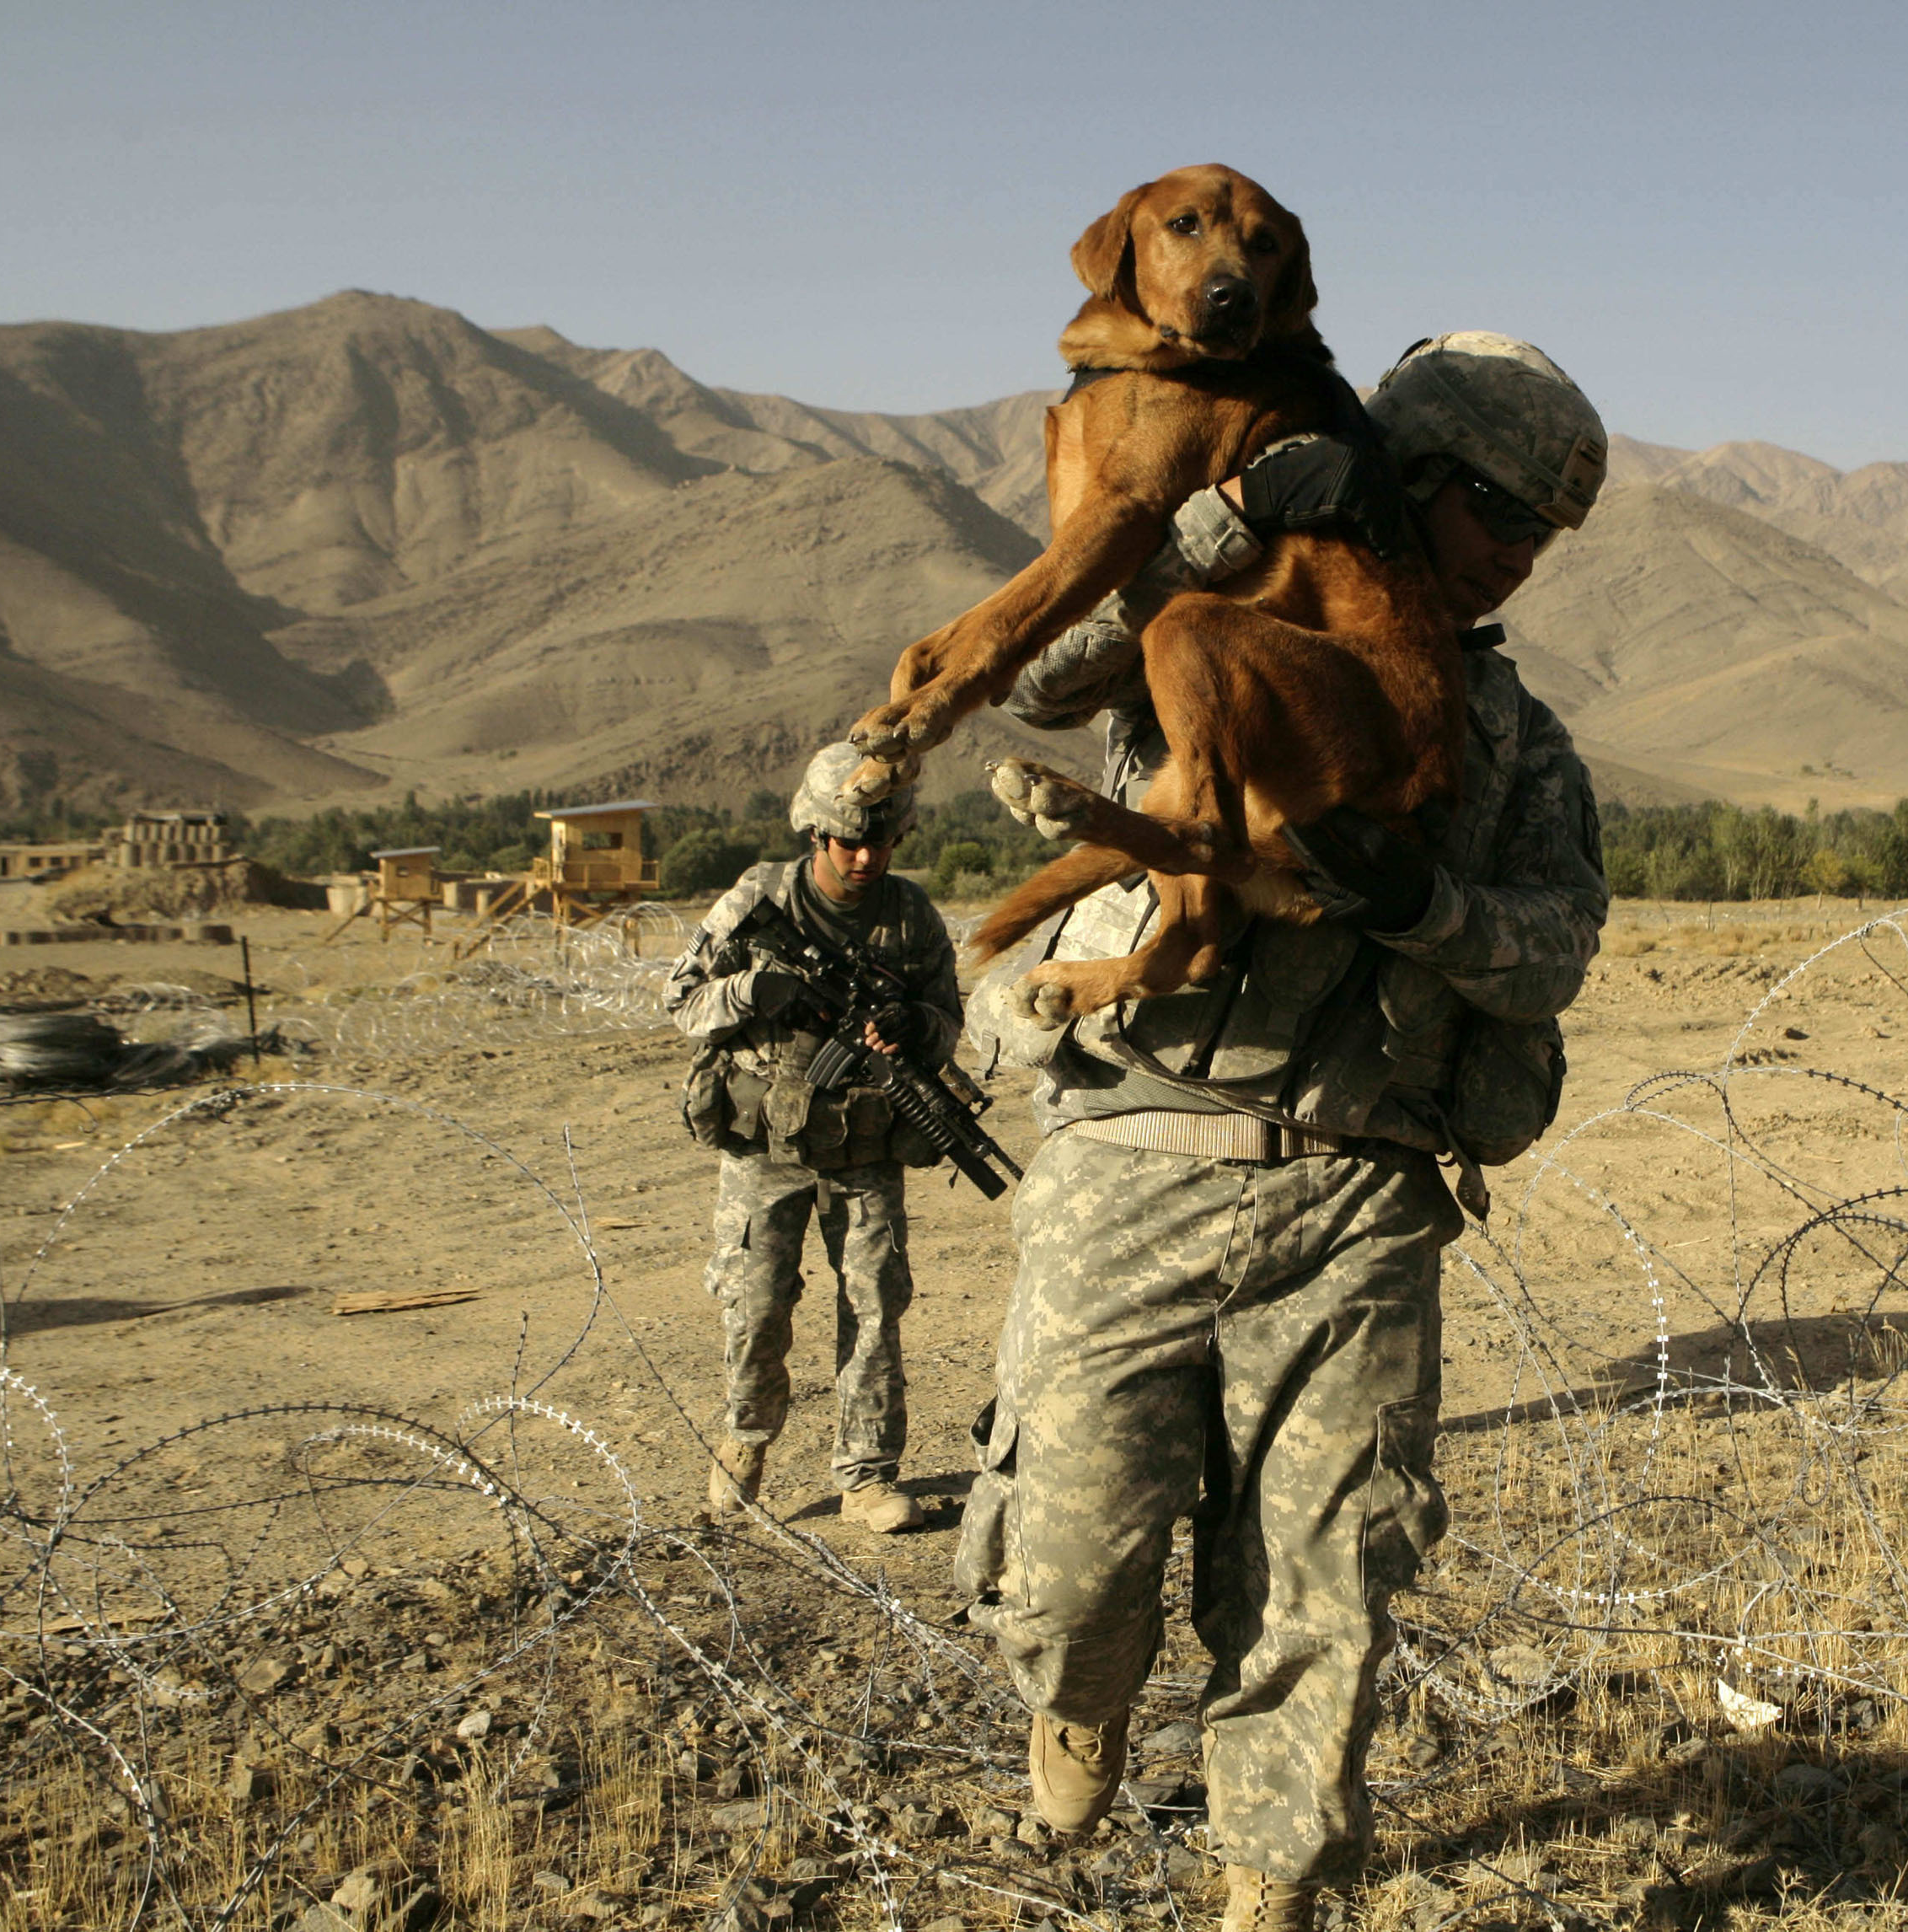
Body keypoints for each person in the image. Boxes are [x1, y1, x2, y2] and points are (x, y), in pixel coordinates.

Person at [954, 335, 1614, 1931]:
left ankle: (1277, 1883)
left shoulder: (1513, 739)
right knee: (1073, 1562)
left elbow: (1557, 941)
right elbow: (1037, 681)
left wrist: (1429, 905)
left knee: (1323, 1589)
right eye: (1495, 512)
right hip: (1135, 1161)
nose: (1517, 553)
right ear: (1410, 478)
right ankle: (1080, 1698)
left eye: (1543, 532)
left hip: (1354, 1194)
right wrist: (1219, 527)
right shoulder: (1214, 611)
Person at [663, 743, 965, 1535]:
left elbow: (947, 1027)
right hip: (764, 1147)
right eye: (849, 840)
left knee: (873, 1308)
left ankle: (866, 1476)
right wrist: (749, 990)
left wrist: (915, 1027)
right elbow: (681, 1000)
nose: (866, 856)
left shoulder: (911, 917)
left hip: (865, 1147)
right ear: (815, 834)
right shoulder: (760, 897)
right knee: (757, 1305)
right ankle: (744, 1441)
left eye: (882, 841)